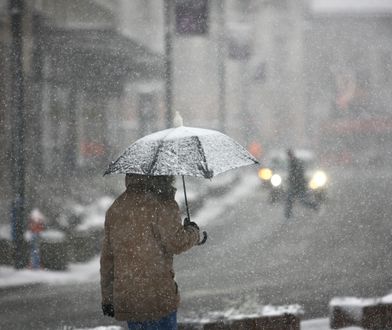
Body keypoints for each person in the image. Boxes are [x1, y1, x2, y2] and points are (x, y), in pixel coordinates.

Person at [100, 174, 200, 330]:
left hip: (129, 299)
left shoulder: (116, 207)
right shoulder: (162, 203)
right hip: (158, 297)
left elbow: (107, 259)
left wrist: (107, 298)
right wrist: (193, 232)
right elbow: (177, 243)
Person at [284, 149, 318, 218]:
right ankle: (288, 214)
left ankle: (314, 206)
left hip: (298, 185)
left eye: (289, 155)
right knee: (291, 200)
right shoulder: (292, 162)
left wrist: (294, 181)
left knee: (300, 200)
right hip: (296, 185)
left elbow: (298, 174)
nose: (288, 156)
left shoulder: (295, 162)